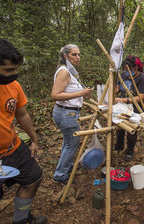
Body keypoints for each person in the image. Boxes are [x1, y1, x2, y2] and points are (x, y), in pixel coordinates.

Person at [0, 37, 47, 224]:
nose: (14, 74)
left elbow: (21, 114)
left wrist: (34, 139)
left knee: (34, 178)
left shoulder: (12, 85)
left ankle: (21, 219)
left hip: (13, 148)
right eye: (9, 70)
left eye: (15, 69)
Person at [51, 44, 93, 185]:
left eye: (79, 54)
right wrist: (81, 93)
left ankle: (66, 167)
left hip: (68, 112)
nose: (77, 57)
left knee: (68, 142)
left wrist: (83, 94)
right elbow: (55, 95)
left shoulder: (70, 71)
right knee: (72, 143)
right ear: (65, 56)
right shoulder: (64, 71)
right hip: (65, 113)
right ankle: (60, 174)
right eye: (74, 55)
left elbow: (70, 91)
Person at [114, 56, 144, 161]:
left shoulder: (142, 78)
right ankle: (119, 145)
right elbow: (118, 88)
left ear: (136, 68)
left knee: (131, 129)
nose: (127, 71)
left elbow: (141, 96)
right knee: (120, 126)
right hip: (123, 107)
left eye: (129, 69)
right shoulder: (123, 75)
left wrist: (123, 100)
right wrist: (112, 91)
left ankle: (130, 151)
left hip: (136, 108)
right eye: (125, 69)